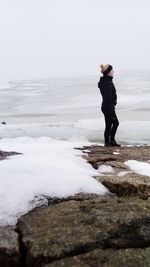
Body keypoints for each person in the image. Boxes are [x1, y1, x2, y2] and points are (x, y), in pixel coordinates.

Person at [98, 64, 121, 147]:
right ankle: (110, 141)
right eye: (112, 70)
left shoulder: (106, 81)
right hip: (108, 106)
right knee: (115, 123)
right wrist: (112, 112)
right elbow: (108, 99)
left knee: (109, 124)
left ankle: (108, 142)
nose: (113, 72)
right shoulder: (107, 83)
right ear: (108, 72)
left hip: (106, 106)